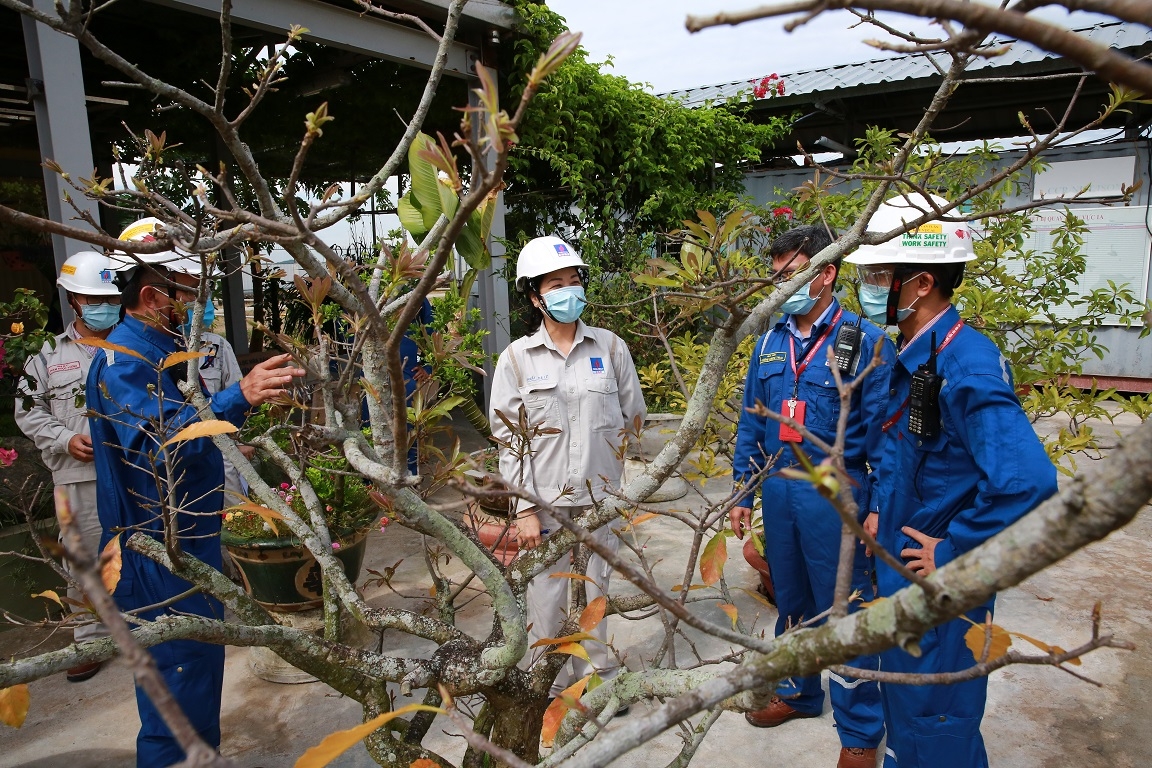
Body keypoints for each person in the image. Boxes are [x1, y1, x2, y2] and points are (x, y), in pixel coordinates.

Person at [845, 194, 1058, 768]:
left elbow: (1028, 482)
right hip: (905, 569)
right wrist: (880, 508)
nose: (867, 286)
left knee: (937, 720)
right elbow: (909, 458)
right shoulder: (916, 353)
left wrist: (956, 550)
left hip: (940, 584)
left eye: (878, 274)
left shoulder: (966, 365)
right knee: (911, 712)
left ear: (920, 284)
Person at [89, 222, 305, 767]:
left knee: (198, 678)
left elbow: (192, 429)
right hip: (157, 553)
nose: (199, 302)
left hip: (190, 540)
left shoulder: (165, 350)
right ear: (151, 296)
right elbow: (162, 444)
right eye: (190, 289)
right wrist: (239, 396)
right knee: (177, 695)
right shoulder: (126, 362)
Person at [729, 225, 895, 768]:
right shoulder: (769, 342)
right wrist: (742, 490)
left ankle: (860, 734)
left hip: (837, 492)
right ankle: (799, 693)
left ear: (827, 273)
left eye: (794, 272)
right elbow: (751, 422)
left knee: (845, 610)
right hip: (780, 490)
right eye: (778, 274)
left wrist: (877, 507)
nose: (783, 283)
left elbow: (886, 438)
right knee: (793, 600)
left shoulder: (865, 341)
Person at [488, 236, 646, 698]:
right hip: (546, 505)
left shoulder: (611, 349)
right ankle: (552, 689)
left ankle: (597, 682)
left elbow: (634, 419)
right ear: (534, 296)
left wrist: (617, 482)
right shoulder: (516, 359)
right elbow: (510, 440)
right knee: (548, 595)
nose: (568, 291)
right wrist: (523, 509)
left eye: (574, 281)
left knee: (595, 593)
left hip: (600, 500)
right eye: (556, 284)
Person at [15, 250, 122, 682]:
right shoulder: (44, 356)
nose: (104, 306)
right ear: (74, 299)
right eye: (94, 299)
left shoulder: (134, 346)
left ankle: (152, 624)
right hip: (77, 476)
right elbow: (28, 411)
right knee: (82, 558)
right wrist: (64, 439)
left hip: (137, 469)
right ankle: (90, 638)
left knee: (147, 547)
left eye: (111, 298)